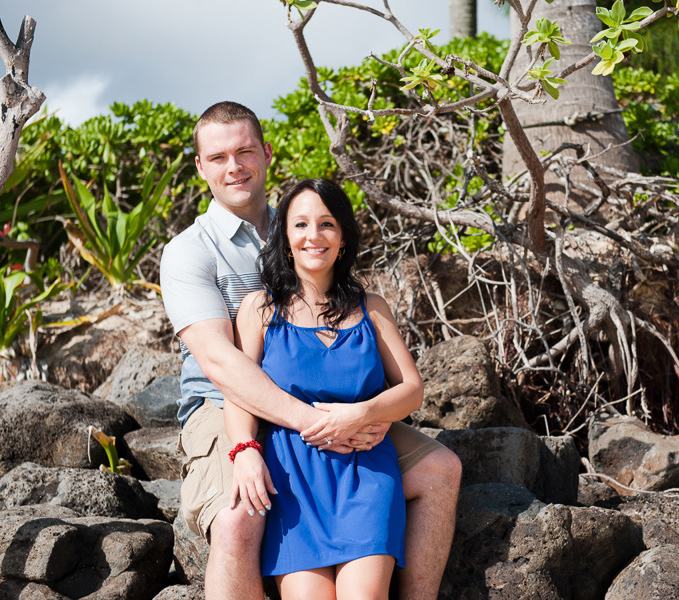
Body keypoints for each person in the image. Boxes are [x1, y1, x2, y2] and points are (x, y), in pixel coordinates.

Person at [160, 101, 461, 600]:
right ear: (200, 167)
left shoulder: (302, 222)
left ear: (266, 154)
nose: (233, 166)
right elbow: (220, 363)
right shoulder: (190, 250)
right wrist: (297, 427)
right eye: (217, 157)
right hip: (222, 404)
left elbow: (399, 375)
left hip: (329, 409)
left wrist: (357, 414)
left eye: (244, 151)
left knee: (440, 468)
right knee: (238, 518)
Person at [226, 178, 416, 599]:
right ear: (286, 238)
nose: (314, 236)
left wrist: (364, 412)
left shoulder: (373, 307)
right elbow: (240, 392)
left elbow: (412, 390)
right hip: (292, 478)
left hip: (365, 473)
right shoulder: (259, 308)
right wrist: (244, 452)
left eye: (327, 224)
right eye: (301, 225)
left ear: (343, 237)